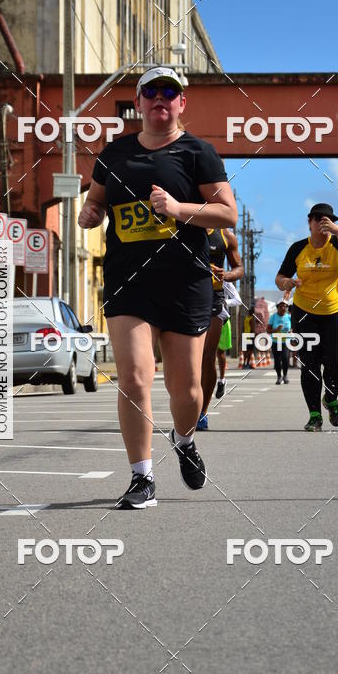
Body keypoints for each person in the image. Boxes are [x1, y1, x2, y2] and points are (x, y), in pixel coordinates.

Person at [78, 66, 237, 507]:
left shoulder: (197, 153)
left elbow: (227, 214)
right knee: (133, 377)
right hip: (129, 284)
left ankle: (184, 439)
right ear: (140, 101)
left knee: (185, 390)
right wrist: (89, 214)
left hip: (185, 283)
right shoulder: (114, 154)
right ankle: (141, 478)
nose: (160, 98)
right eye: (152, 91)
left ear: (182, 103)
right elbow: (94, 200)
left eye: (170, 92)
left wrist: (178, 208)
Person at [275, 202, 338, 431]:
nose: (324, 223)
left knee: (335, 363)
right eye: (318, 218)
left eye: (329, 220)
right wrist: (286, 282)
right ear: (310, 222)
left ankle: (331, 398)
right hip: (304, 313)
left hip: (333, 312)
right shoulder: (298, 248)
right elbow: (280, 278)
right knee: (309, 364)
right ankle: (314, 415)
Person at [197, 229, 243, 430]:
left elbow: (239, 268)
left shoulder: (226, 236)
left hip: (213, 300)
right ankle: (187, 405)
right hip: (186, 298)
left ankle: (202, 413)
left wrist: (228, 274)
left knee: (209, 356)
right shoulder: (182, 228)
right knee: (189, 361)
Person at [268, 300, 291, 384]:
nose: (283, 308)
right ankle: (279, 376)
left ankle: (285, 375)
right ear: (277, 308)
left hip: (285, 342)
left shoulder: (288, 317)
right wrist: (276, 329)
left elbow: (293, 328)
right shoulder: (273, 317)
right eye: (281, 306)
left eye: (285, 306)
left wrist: (291, 331)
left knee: (285, 358)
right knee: (277, 360)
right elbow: (268, 330)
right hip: (275, 342)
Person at [216, 317, 232, 398]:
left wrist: (226, 303)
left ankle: (222, 380)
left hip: (223, 322)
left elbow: (236, 303)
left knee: (220, 352)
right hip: (205, 321)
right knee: (207, 353)